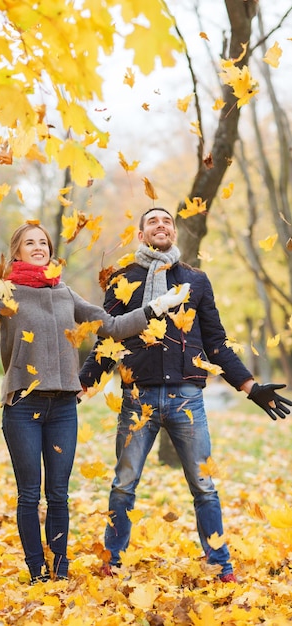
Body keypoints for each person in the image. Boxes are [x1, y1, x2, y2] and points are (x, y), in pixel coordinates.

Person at [0, 220, 189, 585]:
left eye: (43, 242)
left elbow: (113, 326)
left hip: (63, 410)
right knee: (29, 494)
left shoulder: (66, 293)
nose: (39, 247)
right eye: (30, 243)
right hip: (22, 407)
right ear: (18, 252)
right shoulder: (7, 292)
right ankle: (37, 572)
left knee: (58, 494)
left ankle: (60, 571)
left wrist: (156, 307)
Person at [79, 207, 291, 583]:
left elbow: (216, 344)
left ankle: (220, 564)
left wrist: (250, 387)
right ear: (142, 234)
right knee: (123, 483)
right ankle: (113, 561)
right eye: (153, 222)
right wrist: (81, 388)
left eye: (167, 221)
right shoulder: (122, 279)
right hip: (137, 399)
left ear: (173, 232)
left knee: (204, 486)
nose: (161, 225)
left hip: (187, 400)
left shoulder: (196, 280)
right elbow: (107, 341)